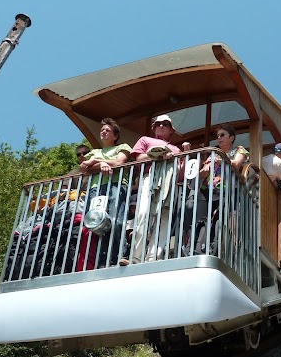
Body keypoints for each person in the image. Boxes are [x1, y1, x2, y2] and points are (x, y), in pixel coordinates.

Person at [125, 114, 184, 265]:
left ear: (171, 129)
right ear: (153, 128)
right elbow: (138, 159)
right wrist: (157, 155)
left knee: (164, 217)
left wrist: (185, 153)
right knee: (143, 214)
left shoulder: (177, 149)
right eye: (158, 124)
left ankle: (153, 257)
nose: (161, 126)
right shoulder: (145, 139)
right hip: (149, 178)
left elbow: (181, 174)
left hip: (171, 182)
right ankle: (136, 258)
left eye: (165, 124)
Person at [186, 125, 249, 255]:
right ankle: (193, 248)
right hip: (207, 189)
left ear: (231, 138)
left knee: (217, 219)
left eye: (222, 135)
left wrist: (219, 161)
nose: (219, 138)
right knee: (200, 219)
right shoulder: (213, 154)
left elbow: (236, 164)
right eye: (218, 136)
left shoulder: (239, 150)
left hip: (227, 190)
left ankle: (211, 247)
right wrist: (204, 171)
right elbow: (203, 174)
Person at [80, 118, 131, 267]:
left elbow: (119, 162)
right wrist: (99, 162)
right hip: (96, 188)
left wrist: (97, 162)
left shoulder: (122, 147)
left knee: (116, 220)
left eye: (107, 130)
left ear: (115, 136)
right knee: (96, 223)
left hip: (117, 184)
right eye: (102, 130)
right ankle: (100, 261)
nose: (103, 131)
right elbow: (85, 168)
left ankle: (119, 255)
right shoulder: (94, 152)